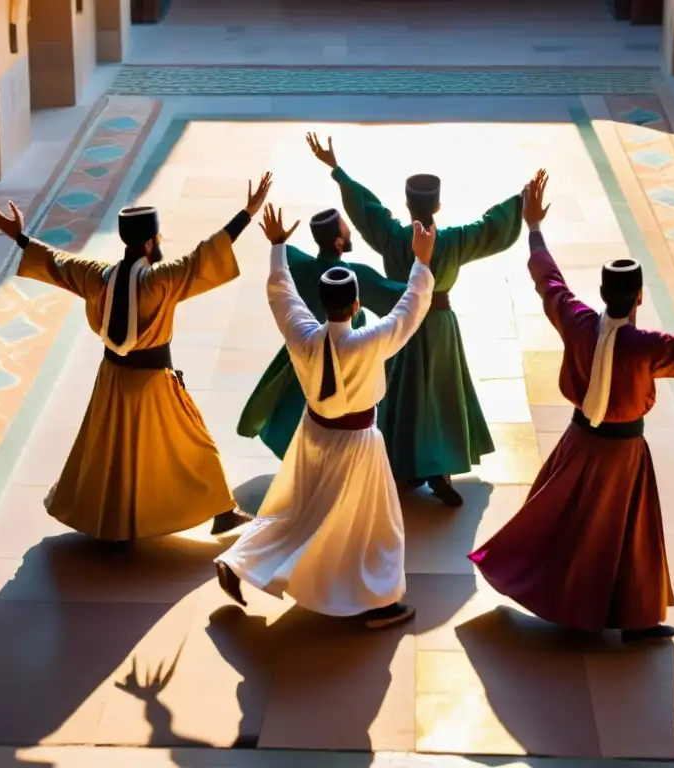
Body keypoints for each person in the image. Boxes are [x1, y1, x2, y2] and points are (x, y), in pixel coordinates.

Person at [468, 170, 674, 642]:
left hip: (579, 442)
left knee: (565, 522)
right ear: (639, 297)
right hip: (623, 455)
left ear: (604, 294)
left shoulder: (578, 322)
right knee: (624, 533)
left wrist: (534, 226)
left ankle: (575, 604)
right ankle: (633, 617)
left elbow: (549, 279)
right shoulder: (645, 346)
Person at [0, 174, 274, 549]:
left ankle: (117, 525)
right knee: (194, 443)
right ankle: (220, 511)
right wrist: (247, 214)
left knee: (113, 453)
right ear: (150, 242)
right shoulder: (160, 281)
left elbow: (57, 263)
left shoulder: (98, 277)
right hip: (153, 382)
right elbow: (205, 255)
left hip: (113, 378)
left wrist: (20, 237)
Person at [215, 203, 436, 629]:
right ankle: (378, 603)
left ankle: (239, 560)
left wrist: (278, 246)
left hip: (313, 433)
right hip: (357, 444)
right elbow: (408, 311)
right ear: (355, 305)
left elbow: (281, 293)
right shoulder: (369, 340)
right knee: (377, 523)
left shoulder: (303, 334)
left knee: (298, 512)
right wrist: (422, 262)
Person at [307, 132, 525, 507]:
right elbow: (492, 227)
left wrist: (337, 171)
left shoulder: (393, 237)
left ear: (407, 205)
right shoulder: (453, 240)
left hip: (402, 322)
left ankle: (404, 466)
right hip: (440, 327)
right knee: (439, 394)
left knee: (404, 394)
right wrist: (522, 202)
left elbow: (367, 210)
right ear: (437, 206)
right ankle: (438, 471)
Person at [236, 207, 407, 460]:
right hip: (347, 363)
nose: (350, 230)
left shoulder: (304, 269)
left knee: (301, 415)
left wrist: (278, 243)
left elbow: (282, 269)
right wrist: (423, 273)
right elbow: (398, 295)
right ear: (339, 241)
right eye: (345, 227)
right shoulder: (353, 277)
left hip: (307, 358)